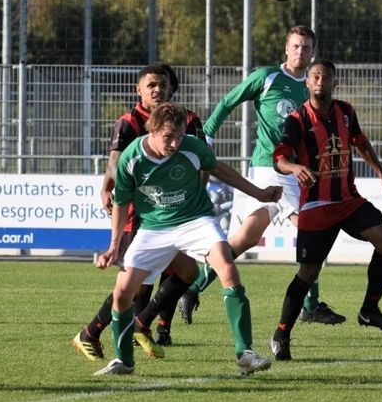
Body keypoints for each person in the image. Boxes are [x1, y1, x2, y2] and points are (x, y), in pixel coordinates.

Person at [91, 102, 279, 376]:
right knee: (122, 291)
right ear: (152, 131)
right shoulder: (132, 157)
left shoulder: (191, 146)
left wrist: (259, 193)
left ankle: (245, 353)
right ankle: (124, 361)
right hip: (154, 228)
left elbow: (220, 169)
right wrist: (113, 247)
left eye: (179, 135)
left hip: (196, 220)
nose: (175, 142)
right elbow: (121, 203)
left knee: (227, 267)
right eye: (168, 136)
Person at [179, 25, 345, 326]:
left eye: (306, 47)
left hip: (297, 172)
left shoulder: (312, 87)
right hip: (269, 169)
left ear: (313, 52)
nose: (300, 52)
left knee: (245, 238)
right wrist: (207, 139)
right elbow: (228, 102)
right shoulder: (266, 77)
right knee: (312, 228)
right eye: (296, 46)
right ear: (286, 48)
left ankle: (191, 289)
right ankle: (311, 304)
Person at [267, 59, 382, 361]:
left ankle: (369, 310)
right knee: (308, 272)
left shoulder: (346, 111)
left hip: (348, 200)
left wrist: (381, 173)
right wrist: (295, 166)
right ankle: (282, 333)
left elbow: (360, 142)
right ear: (308, 83)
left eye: (326, 77)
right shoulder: (297, 118)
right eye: (315, 76)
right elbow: (280, 157)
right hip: (316, 206)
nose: (320, 82)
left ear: (334, 83)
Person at [71, 64, 204, 363]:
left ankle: (137, 325)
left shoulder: (189, 120)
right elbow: (116, 164)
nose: (158, 89)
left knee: (185, 272)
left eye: (163, 84)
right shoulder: (129, 121)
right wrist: (107, 184)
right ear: (139, 90)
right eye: (152, 84)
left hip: (176, 212)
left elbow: (202, 165)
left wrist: (193, 203)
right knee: (136, 284)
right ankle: (96, 332)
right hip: (141, 215)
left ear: (172, 87)